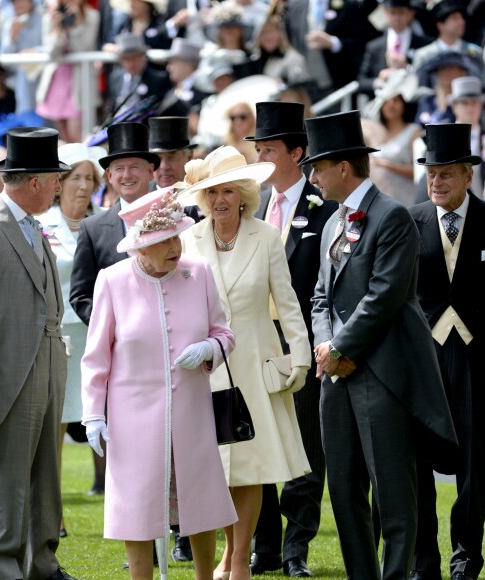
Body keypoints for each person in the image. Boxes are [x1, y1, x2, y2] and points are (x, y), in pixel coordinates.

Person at [304, 110, 457, 578]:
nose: (312, 175)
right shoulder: (332, 223)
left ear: (343, 168)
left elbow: (385, 295)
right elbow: (320, 296)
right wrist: (327, 346)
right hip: (337, 377)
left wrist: (340, 349)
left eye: (317, 166)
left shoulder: (392, 217)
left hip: (383, 375)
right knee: (345, 491)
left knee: (393, 492)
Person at [81, 186, 238, 580]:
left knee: (200, 504)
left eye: (176, 237)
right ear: (139, 247)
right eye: (162, 241)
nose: (174, 247)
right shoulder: (112, 281)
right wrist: (92, 417)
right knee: (136, 510)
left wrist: (208, 348)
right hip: (132, 421)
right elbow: (96, 358)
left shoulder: (198, 272)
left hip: (191, 413)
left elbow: (225, 333)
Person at [179, 145, 312, 580]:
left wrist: (300, 357)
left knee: (250, 467)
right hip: (206, 366)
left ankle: (239, 560)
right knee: (215, 467)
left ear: (244, 195)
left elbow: (288, 303)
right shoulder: (188, 239)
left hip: (255, 359)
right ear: (203, 197)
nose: (220, 199)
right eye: (213, 191)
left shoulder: (266, 236)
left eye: (229, 191)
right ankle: (225, 554)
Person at [0, 127, 77, 580]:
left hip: (46, 364)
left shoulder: (31, 226)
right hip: (5, 369)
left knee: (47, 471)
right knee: (9, 477)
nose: (60, 185)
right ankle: (5, 567)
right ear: (35, 181)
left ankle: (43, 564)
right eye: (55, 177)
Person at [249, 101, 337, 578]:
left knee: (305, 448)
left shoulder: (324, 209)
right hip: (256, 345)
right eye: (256, 149)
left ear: (297, 152)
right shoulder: (253, 205)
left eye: (269, 150)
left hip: (303, 342)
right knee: (259, 444)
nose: (260, 158)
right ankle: (263, 546)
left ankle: (295, 547)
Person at [408, 123, 485, 580]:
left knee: (475, 465)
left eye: (446, 174)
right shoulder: (410, 221)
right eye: (431, 174)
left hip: (479, 362)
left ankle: (466, 558)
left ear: (467, 177)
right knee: (419, 461)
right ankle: (424, 563)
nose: (436, 182)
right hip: (426, 359)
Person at [37, 142, 107, 532]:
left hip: (98, 334)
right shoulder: (42, 224)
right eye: (75, 177)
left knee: (108, 420)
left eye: (89, 178)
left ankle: (125, 507)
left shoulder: (105, 225)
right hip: (58, 337)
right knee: (54, 427)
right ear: (59, 183)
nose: (83, 186)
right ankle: (53, 513)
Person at [70, 122, 160, 326]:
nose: (127, 175)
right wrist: (113, 328)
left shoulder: (178, 214)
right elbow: (81, 296)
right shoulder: (92, 228)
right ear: (109, 176)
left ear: (151, 171)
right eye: (119, 168)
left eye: (134, 167)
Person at [36, 0, 100, 143]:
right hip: (57, 80)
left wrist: (76, 23)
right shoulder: (50, 15)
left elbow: (82, 48)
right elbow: (52, 53)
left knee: (77, 136)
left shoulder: (92, 16)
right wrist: (57, 28)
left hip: (80, 81)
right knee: (62, 139)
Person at [361, 69, 423, 206]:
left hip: (406, 201)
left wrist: (387, 165)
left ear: (403, 104)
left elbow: (418, 171)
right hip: (380, 202)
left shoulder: (413, 131)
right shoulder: (374, 132)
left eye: (396, 100)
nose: (391, 105)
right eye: (387, 101)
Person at [357, 0, 431, 98]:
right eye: (393, 12)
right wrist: (380, 81)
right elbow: (361, 81)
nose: (397, 18)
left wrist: (407, 69)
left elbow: (431, 78)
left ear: (411, 13)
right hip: (383, 105)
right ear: (385, 12)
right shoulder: (374, 46)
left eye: (401, 12)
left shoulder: (424, 44)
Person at [449, 76, 485, 198]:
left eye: (475, 102)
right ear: (454, 106)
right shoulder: (445, 138)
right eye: (465, 103)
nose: (470, 108)